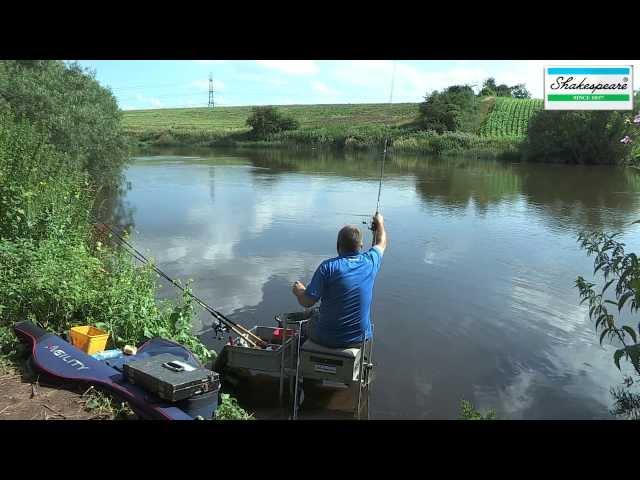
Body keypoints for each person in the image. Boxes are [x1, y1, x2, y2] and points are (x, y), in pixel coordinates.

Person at [291, 212, 387, 349]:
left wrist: (298, 291)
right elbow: (381, 242)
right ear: (360, 246)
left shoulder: (327, 267)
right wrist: (380, 223)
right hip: (359, 338)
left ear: (338, 245)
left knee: (305, 324)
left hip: (325, 337)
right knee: (316, 312)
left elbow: (307, 302)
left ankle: (298, 359)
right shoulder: (370, 262)